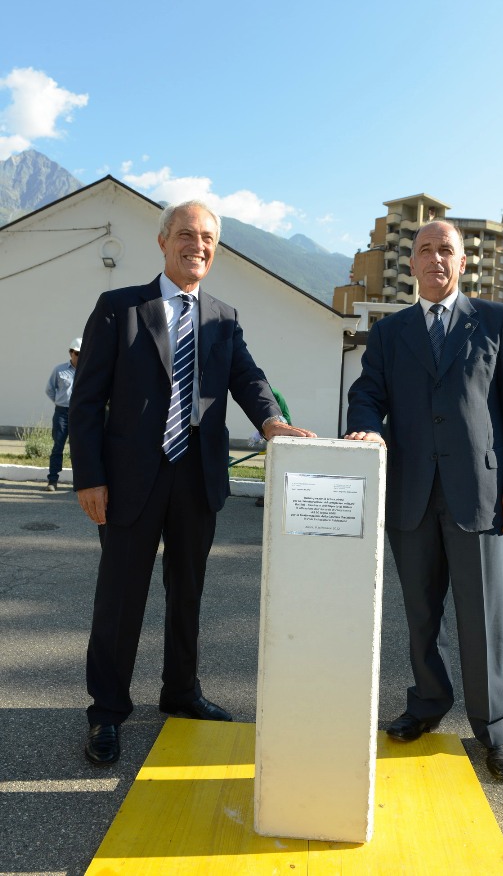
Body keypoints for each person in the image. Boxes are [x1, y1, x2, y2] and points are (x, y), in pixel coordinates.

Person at [69, 199, 316, 766]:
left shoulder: (223, 317)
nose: (197, 245)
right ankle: (107, 711)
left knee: (188, 593)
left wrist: (272, 422)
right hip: (129, 480)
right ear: (163, 241)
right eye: (186, 234)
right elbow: (86, 402)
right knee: (120, 598)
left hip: (196, 477)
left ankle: (180, 691)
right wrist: (90, 477)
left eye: (207, 238)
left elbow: (248, 377)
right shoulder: (119, 308)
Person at [345, 219, 503, 783]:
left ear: (462, 262)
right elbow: (367, 394)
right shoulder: (390, 332)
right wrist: (367, 427)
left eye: (445, 249)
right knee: (422, 614)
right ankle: (428, 704)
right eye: (424, 250)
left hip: (480, 496)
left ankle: (495, 728)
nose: (435, 258)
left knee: (484, 619)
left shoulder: (496, 319)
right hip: (410, 495)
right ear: (412, 264)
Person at [44, 338, 82, 491]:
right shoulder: (59, 370)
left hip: (79, 413)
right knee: (58, 446)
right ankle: (52, 480)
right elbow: (50, 389)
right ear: (71, 353)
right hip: (62, 413)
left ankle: (79, 483)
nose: (80, 356)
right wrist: (60, 402)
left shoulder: (87, 370)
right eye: (77, 353)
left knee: (78, 448)